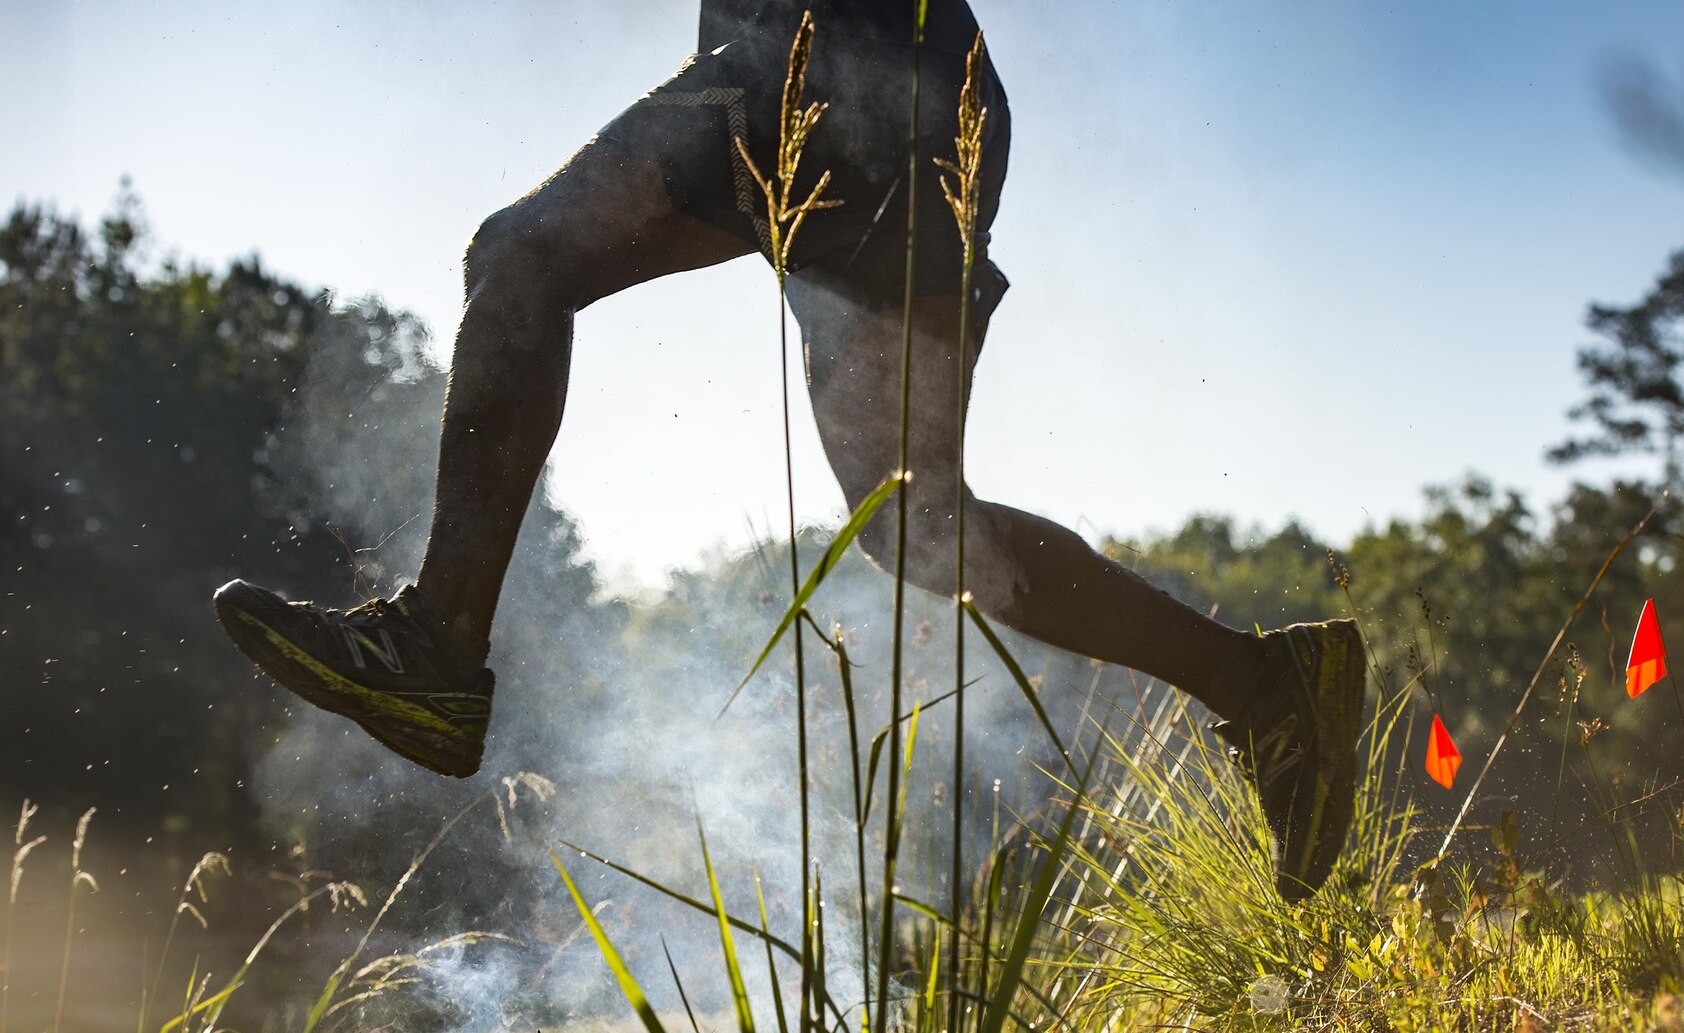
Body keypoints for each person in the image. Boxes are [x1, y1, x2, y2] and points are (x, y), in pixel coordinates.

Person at [212, 0, 1365, 900]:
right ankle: (1265, 685)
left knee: (525, 261)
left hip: (848, 66)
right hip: (840, 74)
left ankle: (437, 650)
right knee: (912, 523)